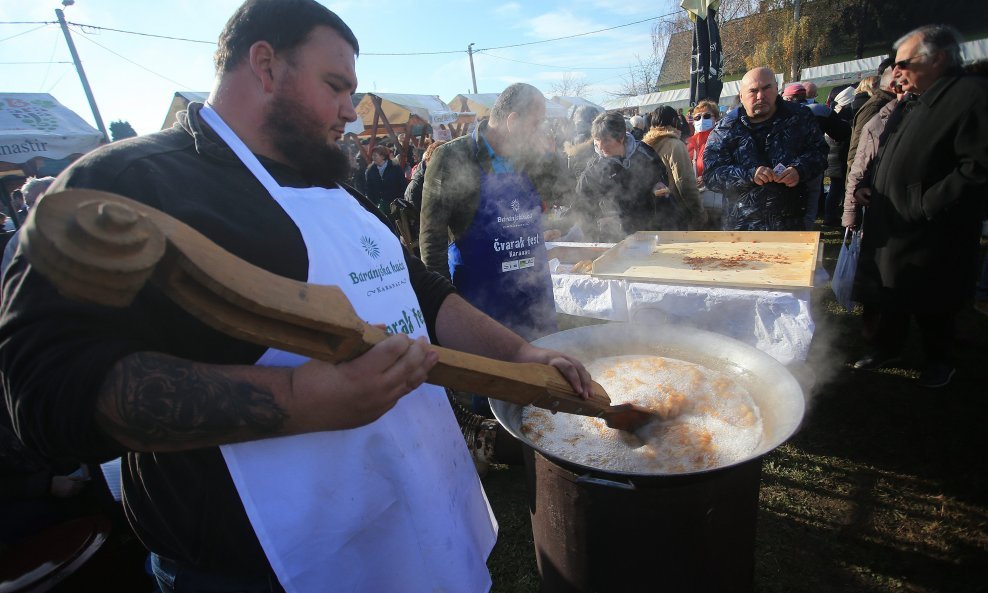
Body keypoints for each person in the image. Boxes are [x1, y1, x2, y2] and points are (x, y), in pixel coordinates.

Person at [0, 2, 597, 592]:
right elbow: (46, 393)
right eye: (336, 87)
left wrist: (519, 353)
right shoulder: (127, 183)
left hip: (403, 510)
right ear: (265, 64)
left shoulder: (337, 189)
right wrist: (300, 398)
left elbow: (421, 290)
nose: (353, 115)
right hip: (257, 566)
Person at [851, 24, 988, 388]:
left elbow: (977, 167)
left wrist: (925, 204)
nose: (895, 72)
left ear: (937, 59)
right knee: (892, 291)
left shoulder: (970, 96)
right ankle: (886, 347)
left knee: (935, 299)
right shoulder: (917, 99)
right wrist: (869, 185)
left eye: (903, 64)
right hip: (892, 221)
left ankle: (940, 361)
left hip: (934, 228)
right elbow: (888, 151)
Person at [419, 83, 567, 343]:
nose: (539, 131)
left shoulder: (530, 157)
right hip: (482, 299)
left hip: (533, 291)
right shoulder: (452, 157)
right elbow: (432, 238)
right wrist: (446, 307)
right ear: (513, 121)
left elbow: (560, 193)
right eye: (536, 123)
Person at [703, 67, 828, 231]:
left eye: (766, 88)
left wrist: (799, 170)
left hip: (791, 224)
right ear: (741, 96)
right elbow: (711, 174)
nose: (760, 96)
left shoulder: (799, 117)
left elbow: (820, 152)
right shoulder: (726, 128)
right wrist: (749, 174)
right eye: (753, 91)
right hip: (742, 227)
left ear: (776, 89)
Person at [576, 111, 667, 240]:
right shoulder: (593, 169)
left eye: (607, 140)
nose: (601, 146)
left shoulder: (644, 152)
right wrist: (598, 222)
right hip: (616, 237)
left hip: (650, 228)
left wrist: (659, 185)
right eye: (597, 140)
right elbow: (583, 204)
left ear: (621, 137)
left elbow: (661, 176)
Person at [642, 105, 706, 230]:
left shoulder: (643, 145)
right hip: (675, 213)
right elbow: (685, 183)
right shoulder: (675, 145)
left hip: (653, 214)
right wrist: (699, 214)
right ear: (674, 122)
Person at [686, 99, 723, 228]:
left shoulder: (722, 139)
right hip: (698, 202)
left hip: (718, 201)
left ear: (716, 119)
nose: (701, 120)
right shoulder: (691, 143)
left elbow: (728, 168)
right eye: (697, 117)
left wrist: (707, 178)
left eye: (707, 116)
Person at [364, 144, 405, 217]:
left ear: (383, 156)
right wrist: (372, 204)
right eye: (372, 155)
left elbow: (402, 185)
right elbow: (368, 188)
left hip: (394, 204)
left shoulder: (395, 168)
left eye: (375, 155)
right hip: (378, 205)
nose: (373, 157)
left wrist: (400, 201)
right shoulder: (370, 170)